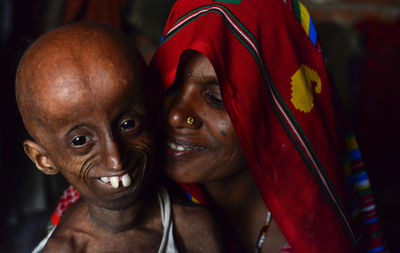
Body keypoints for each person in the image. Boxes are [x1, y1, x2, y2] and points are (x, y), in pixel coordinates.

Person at [151, 0, 386, 252]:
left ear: (278, 110)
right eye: (170, 84)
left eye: (217, 98)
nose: (176, 115)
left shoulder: (318, 226)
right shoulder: (143, 219)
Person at [15, 21, 222, 253]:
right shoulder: (62, 248)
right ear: (43, 159)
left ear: (153, 114)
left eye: (128, 125)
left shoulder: (193, 228)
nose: (116, 158)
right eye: (80, 141)